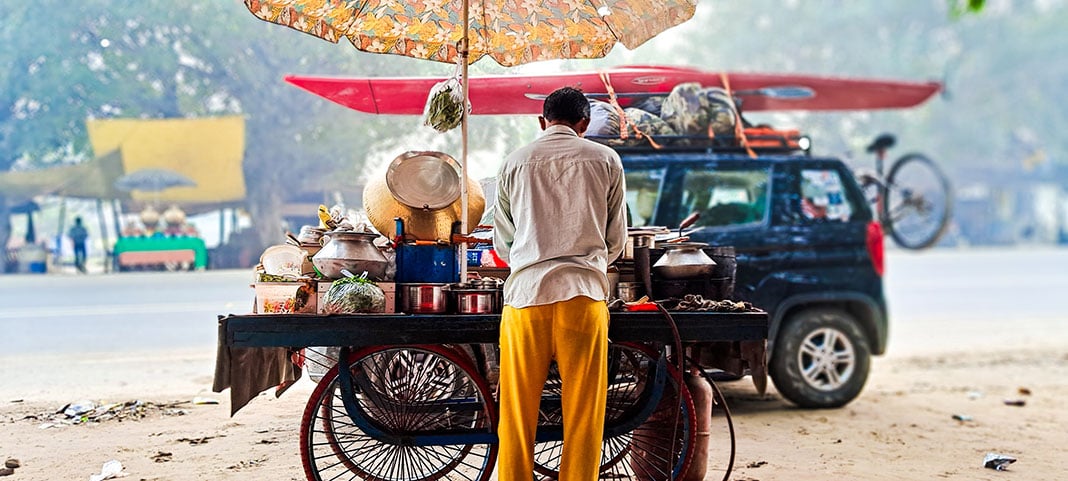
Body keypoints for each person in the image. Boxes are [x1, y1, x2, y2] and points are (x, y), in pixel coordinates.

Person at [493, 87, 627, 481]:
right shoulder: (606, 160)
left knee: (516, 415)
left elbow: (504, 242)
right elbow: (616, 240)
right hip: (583, 300)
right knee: (584, 415)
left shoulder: (514, 162)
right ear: (584, 124)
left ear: (541, 121)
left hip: (526, 300)